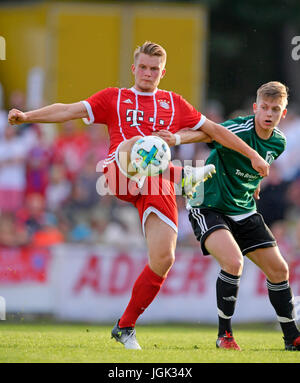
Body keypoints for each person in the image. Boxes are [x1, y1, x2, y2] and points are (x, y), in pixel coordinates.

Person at [8, 41, 269, 350]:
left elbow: (215, 130)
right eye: (143, 67)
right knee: (140, 145)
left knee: (164, 257)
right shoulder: (114, 98)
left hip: (156, 183)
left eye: (154, 69)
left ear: (163, 72)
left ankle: (125, 326)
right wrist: (27, 116)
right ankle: (183, 176)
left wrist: (254, 155)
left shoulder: (174, 103)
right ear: (134, 68)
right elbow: (68, 109)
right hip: (121, 173)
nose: (148, 73)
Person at [157, 81, 300, 351]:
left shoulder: (279, 142)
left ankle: (292, 337)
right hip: (208, 204)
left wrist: (255, 182)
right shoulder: (240, 128)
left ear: (283, 113)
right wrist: (175, 139)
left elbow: (255, 167)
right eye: (265, 108)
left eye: (276, 109)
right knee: (234, 262)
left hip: (244, 209)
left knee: (279, 269)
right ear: (255, 108)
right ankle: (225, 335)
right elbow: (206, 133)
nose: (269, 114)